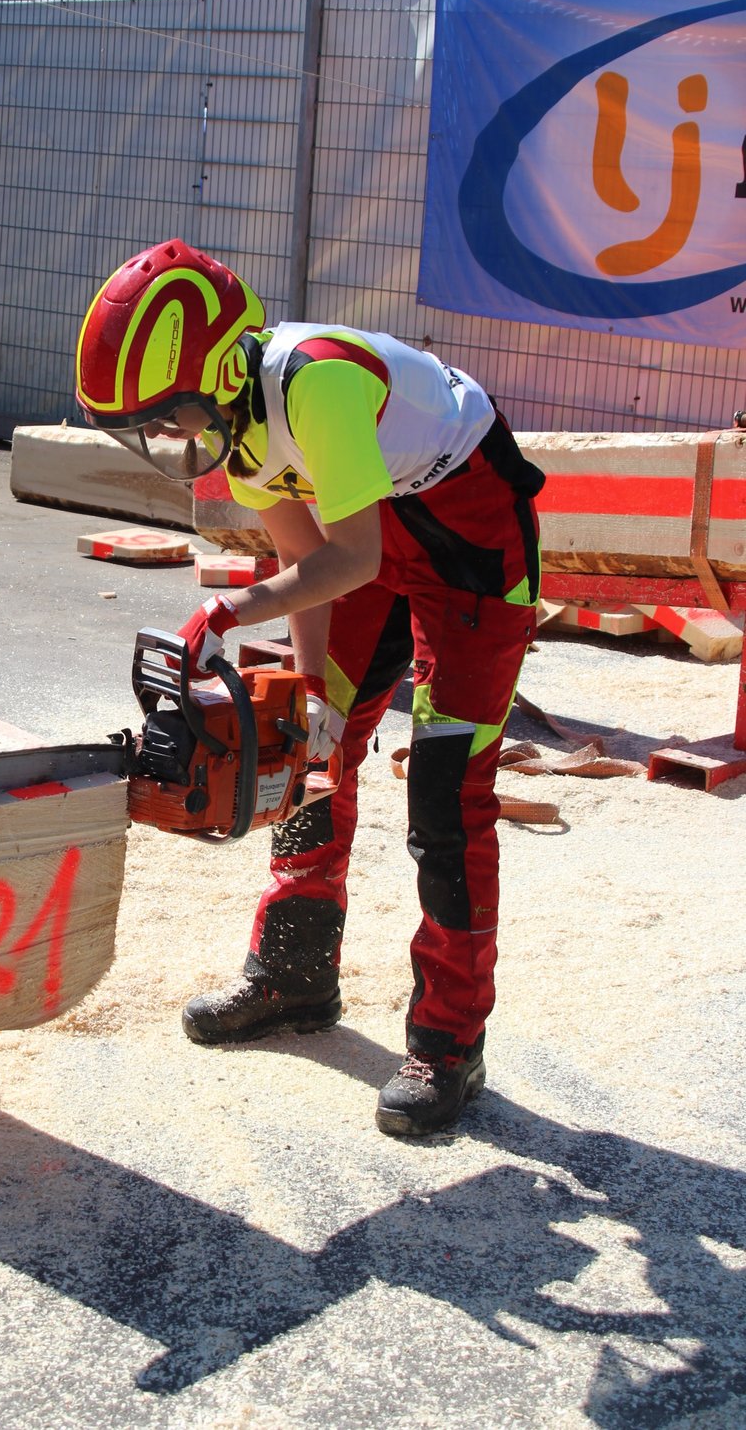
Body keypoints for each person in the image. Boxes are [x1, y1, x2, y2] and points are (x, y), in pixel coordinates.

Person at [75, 238, 544, 1138]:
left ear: (219, 371)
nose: (172, 437)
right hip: (366, 530)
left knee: (447, 793)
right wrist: (316, 695)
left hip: (470, 530)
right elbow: (309, 563)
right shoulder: (238, 432)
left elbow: (350, 557)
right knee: (302, 749)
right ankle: (294, 973)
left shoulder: (315, 384)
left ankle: (450, 1043)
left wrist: (225, 611)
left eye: (169, 415)